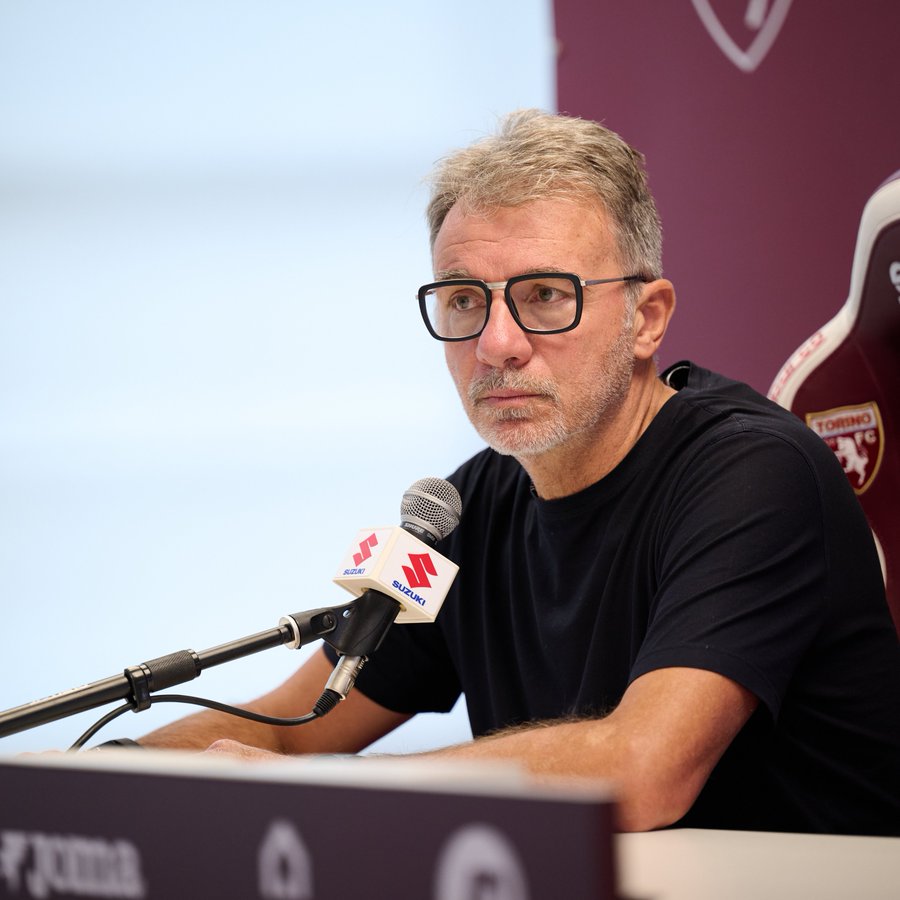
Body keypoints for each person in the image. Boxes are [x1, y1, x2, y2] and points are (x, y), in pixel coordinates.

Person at [141, 109, 900, 835]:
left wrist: (332, 794)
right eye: (464, 300)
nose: (497, 344)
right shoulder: (461, 508)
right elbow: (289, 729)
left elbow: (643, 771)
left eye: (545, 296)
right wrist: (104, 773)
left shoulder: (753, 476)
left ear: (647, 319)